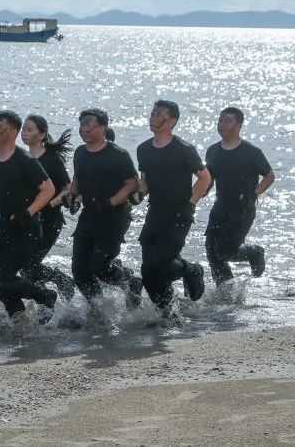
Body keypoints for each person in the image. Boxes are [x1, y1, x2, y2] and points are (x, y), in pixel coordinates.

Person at [0, 110, 58, 320]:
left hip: (27, 229)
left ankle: (46, 296)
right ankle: (18, 318)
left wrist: (26, 213)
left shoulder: (24, 160)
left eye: (0, 127)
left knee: (5, 278)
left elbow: (48, 189)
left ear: (14, 132)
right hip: (3, 226)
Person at [136, 100, 212, 315]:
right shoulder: (143, 149)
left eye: (160, 115)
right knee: (148, 271)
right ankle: (167, 312)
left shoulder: (183, 149)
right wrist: (137, 194)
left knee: (159, 264)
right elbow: (146, 181)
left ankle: (191, 270)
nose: (153, 118)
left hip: (179, 213)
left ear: (172, 121)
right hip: (154, 213)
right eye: (153, 113)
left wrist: (191, 204)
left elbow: (205, 178)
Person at [60, 109, 143, 306]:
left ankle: (130, 282)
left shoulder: (118, 154)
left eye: (89, 125)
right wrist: (73, 195)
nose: (84, 129)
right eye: (81, 125)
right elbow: (78, 179)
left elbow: (133, 183)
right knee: (79, 270)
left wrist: (110, 202)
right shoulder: (80, 152)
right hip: (88, 216)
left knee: (100, 267)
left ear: (103, 127)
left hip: (114, 218)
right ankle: (97, 308)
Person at [204, 107, 275, 285]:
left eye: (227, 120)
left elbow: (269, 176)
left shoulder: (251, 151)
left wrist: (255, 193)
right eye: (220, 120)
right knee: (212, 252)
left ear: (239, 125)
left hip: (243, 209)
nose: (221, 124)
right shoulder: (212, 151)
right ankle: (225, 290)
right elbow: (209, 178)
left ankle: (254, 251)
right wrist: (200, 191)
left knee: (225, 250)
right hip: (220, 206)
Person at [20, 115, 77, 301]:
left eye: (29, 129)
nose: (24, 133)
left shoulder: (51, 159)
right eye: (23, 129)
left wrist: (48, 204)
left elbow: (67, 189)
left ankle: (60, 282)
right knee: (25, 267)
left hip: (49, 221)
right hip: (28, 221)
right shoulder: (22, 157)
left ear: (42, 134)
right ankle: (45, 301)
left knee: (30, 265)